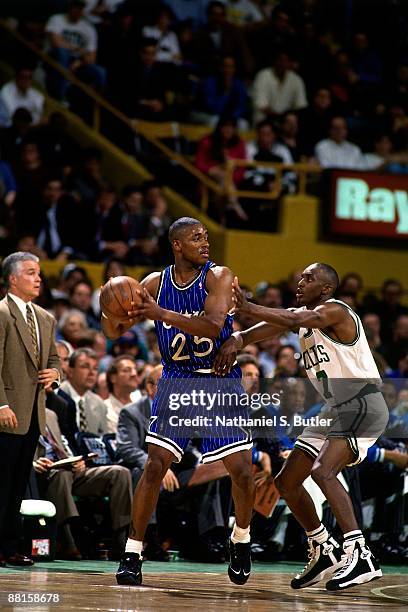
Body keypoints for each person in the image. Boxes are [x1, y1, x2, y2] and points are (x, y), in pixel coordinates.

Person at [215, 262, 389, 591]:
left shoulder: (335, 310)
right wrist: (237, 339)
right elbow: (269, 328)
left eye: (308, 278)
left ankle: (360, 552)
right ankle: (323, 548)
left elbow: (293, 318)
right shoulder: (304, 320)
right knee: (287, 481)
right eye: (301, 276)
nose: (300, 281)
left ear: (325, 289)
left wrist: (249, 306)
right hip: (335, 408)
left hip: (362, 401)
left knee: (323, 471)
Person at [102, 216, 255, 586]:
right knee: (154, 466)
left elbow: (213, 325)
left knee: (242, 471)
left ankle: (241, 539)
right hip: (176, 380)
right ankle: (133, 553)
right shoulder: (154, 283)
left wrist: (159, 313)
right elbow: (113, 330)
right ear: (177, 244)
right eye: (196, 238)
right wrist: (112, 306)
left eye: (206, 236)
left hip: (219, 382)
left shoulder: (218, 276)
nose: (205, 243)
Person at [0, 252, 61, 566]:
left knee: (18, 485)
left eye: (39, 273)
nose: (38, 278)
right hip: (7, 411)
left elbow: (54, 361)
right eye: (30, 273)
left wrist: (55, 374)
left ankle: (9, 546)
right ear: (13, 279)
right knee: (3, 482)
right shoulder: (1, 312)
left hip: (34, 412)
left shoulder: (45, 317)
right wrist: (1, 404)